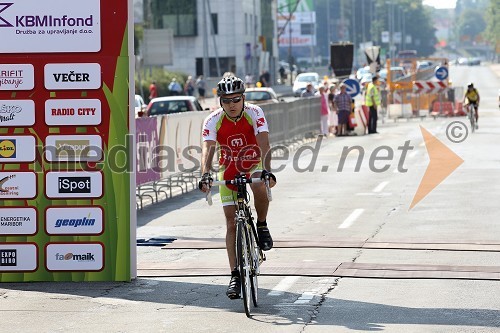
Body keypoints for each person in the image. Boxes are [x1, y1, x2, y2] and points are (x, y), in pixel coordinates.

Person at [198, 76, 276, 300]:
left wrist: (268, 169)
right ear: (220, 102)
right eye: (226, 100)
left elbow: (264, 143)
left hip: (253, 162)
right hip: (229, 167)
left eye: (236, 99)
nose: (231, 104)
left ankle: (261, 225)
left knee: (260, 183)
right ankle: (235, 275)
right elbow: (208, 149)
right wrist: (205, 174)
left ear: (243, 99)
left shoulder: (255, 113)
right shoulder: (212, 120)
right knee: (231, 223)